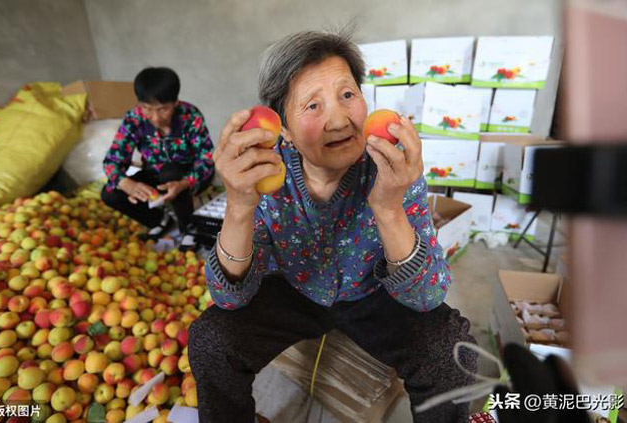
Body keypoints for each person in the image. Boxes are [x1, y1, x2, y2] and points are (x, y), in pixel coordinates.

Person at [188, 30, 477, 423]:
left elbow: (428, 296)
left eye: (347, 95)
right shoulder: (266, 171)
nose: (340, 120)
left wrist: (389, 208)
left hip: (376, 296)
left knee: (452, 352)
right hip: (294, 290)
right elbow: (230, 298)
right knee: (211, 340)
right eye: (312, 106)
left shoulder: (392, 164)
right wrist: (240, 205)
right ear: (284, 130)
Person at [101, 67, 214, 250]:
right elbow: (112, 161)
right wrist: (126, 184)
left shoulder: (190, 116)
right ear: (140, 104)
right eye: (147, 109)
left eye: (163, 109)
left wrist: (184, 183)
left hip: (188, 176)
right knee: (110, 192)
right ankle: (159, 220)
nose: (155, 117)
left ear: (175, 103)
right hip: (155, 175)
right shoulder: (134, 119)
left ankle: (189, 227)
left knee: (171, 172)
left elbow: (206, 160)